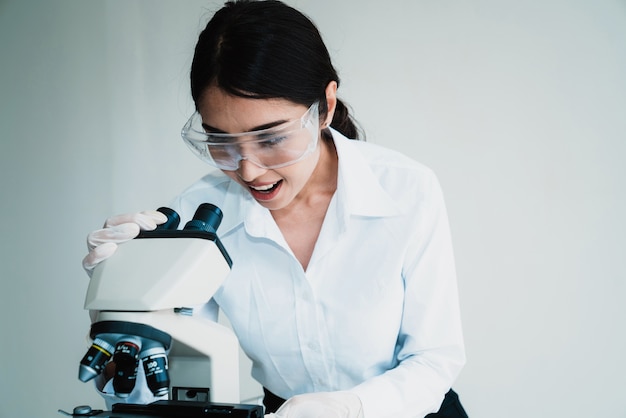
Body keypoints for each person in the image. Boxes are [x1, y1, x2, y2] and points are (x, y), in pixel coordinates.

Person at [82, 1, 468, 417]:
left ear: (326, 106)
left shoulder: (406, 190)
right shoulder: (199, 214)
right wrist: (133, 307)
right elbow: (170, 384)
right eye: (221, 141)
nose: (247, 169)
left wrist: (353, 408)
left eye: (269, 138)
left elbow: (435, 359)